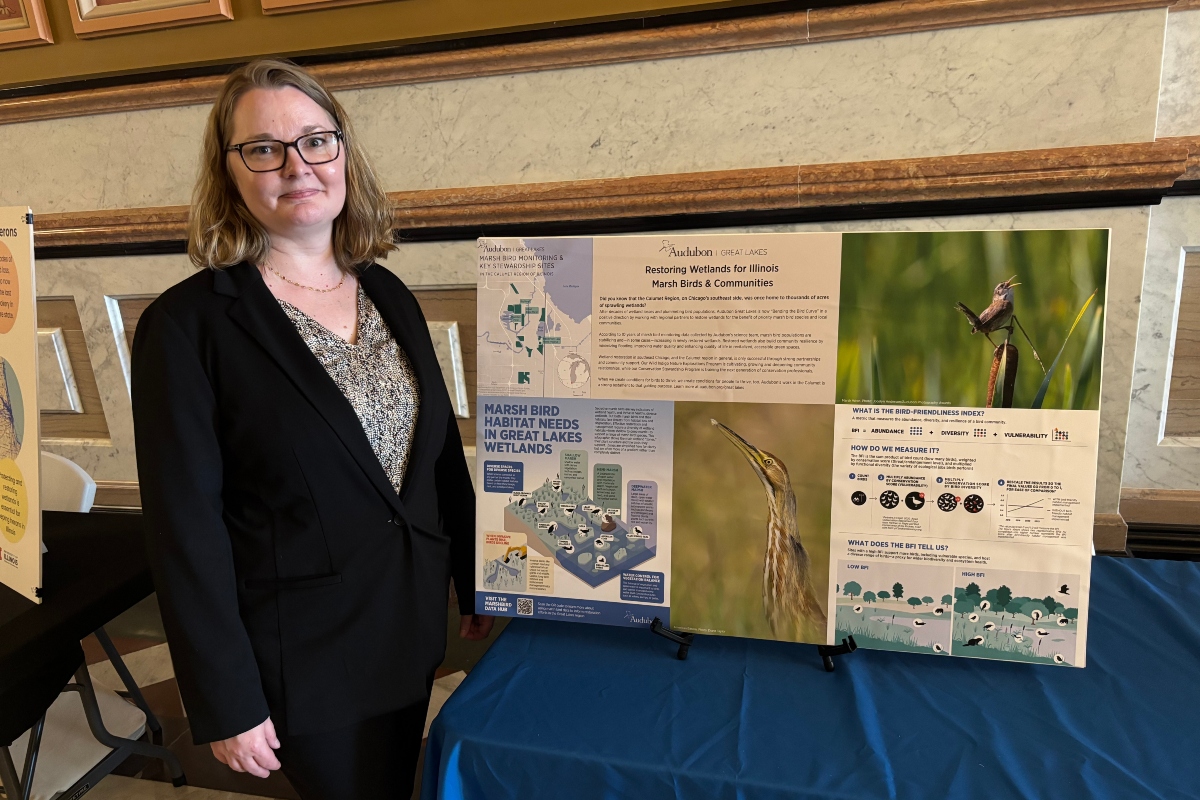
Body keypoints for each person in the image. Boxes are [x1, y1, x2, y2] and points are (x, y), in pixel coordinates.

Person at [131, 58, 492, 799]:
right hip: (302, 655)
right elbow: (184, 529)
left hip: (409, 621)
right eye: (263, 148)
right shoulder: (187, 326)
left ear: (343, 155)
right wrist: (225, 697)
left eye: (315, 141)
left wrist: (478, 575)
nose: (296, 166)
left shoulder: (385, 289)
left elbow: (436, 453)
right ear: (228, 172)